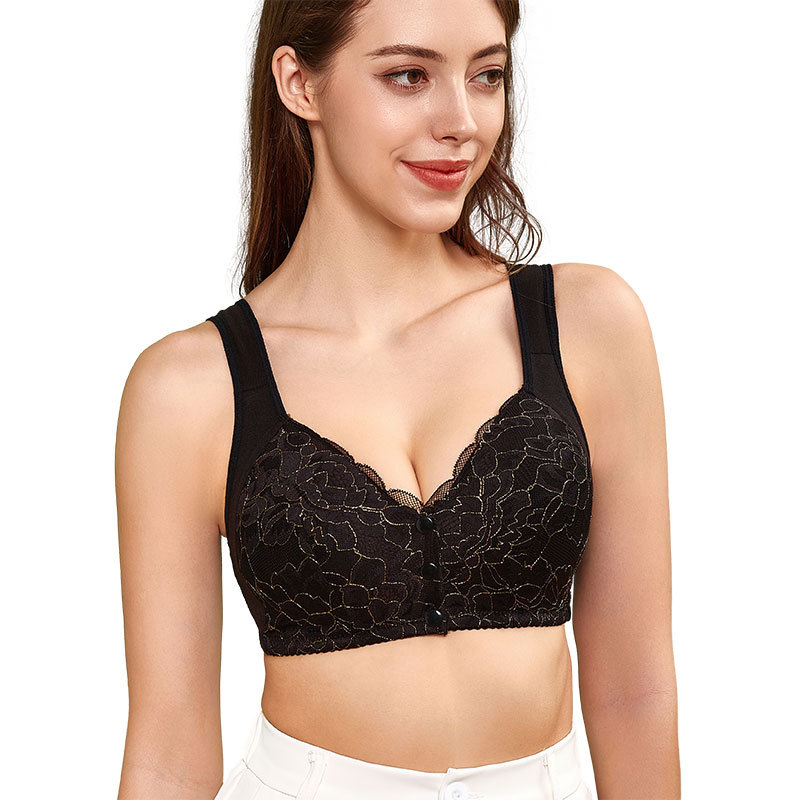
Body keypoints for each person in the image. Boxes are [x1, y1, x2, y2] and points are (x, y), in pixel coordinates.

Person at [116, 1, 680, 798]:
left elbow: (636, 689)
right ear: (299, 83)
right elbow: (169, 750)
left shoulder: (589, 325)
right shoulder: (188, 389)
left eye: (487, 75)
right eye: (409, 76)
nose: (462, 123)